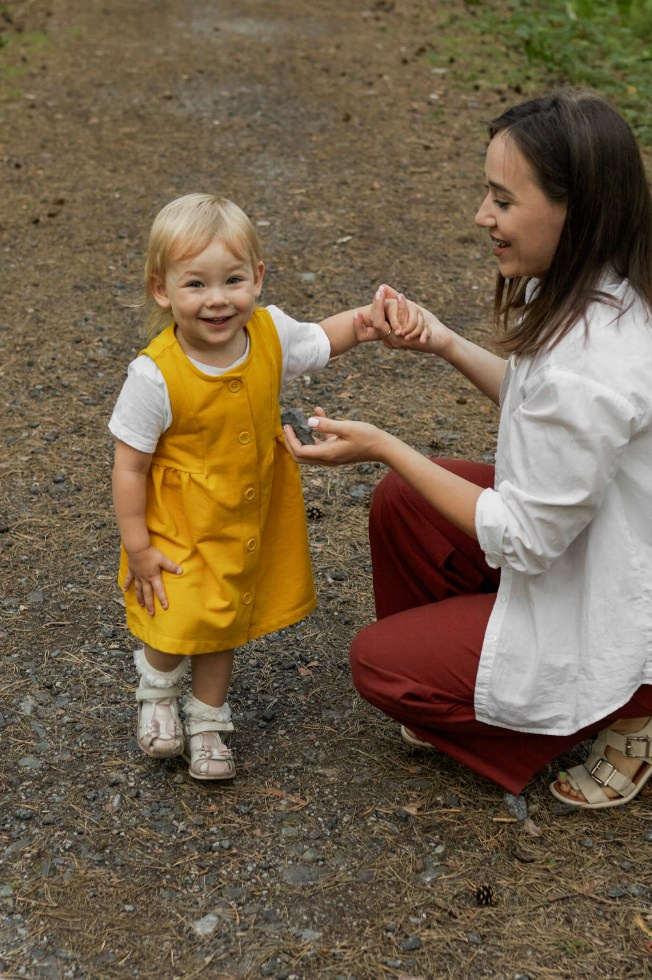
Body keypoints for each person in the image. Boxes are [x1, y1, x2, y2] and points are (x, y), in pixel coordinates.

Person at [284, 90, 652, 809]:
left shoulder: (595, 358)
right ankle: (481, 678)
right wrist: (442, 342)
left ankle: (631, 716)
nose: (482, 216)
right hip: (608, 559)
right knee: (407, 503)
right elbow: (539, 403)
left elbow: (528, 536)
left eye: (502, 200)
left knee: (381, 669)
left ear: (578, 210)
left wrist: (384, 445)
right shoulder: (592, 290)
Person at [109, 193, 428, 781]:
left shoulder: (270, 335)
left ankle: (208, 722)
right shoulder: (154, 374)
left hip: (242, 520)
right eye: (196, 284)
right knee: (177, 616)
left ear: (257, 277)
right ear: (163, 289)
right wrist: (138, 545)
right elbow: (129, 466)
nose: (217, 300)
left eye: (232, 280)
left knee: (224, 617)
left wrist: (367, 321)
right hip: (179, 525)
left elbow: (324, 338)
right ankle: (156, 692)